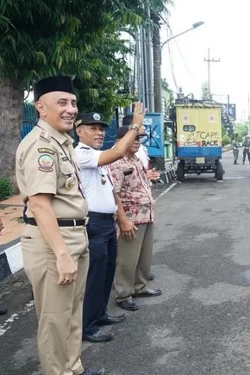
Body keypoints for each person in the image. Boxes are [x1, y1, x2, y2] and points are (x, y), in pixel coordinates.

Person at [16, 75, 104, 375]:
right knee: (54, 319)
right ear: (40, 107)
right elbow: (40, 205)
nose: (70, 109)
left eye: (73, 103)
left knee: (72, 313)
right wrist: (62, 254)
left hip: (74, 235)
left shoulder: (62, 141)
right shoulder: (40, 147)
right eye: (62, 102)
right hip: (53, 243)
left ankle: (73, 368)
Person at [74, 105, 146, 343]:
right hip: (93, 223)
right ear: (79, 131)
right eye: (92, 128)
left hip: (106, 222)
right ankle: (87, 325)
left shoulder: (97, 155)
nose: (99, 133)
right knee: (94, 276)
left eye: (101, 129)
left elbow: (111, 188)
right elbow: (118, 152)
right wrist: (135, 125)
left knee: (106, 274)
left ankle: (100, 314)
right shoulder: (82, 154)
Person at [109, 127, 162, 312]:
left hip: (146, 214)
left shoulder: (136, 159)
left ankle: (140, 287)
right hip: (131, 218)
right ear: (121, 140)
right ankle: (123, 293)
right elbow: (113, 192)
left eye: (139, 138)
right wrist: (122, 220)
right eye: (133, 138)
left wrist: (150, 179)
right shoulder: (116, 162)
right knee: (127, 258)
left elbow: (140, 184)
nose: (137, 141)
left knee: (144, 257)